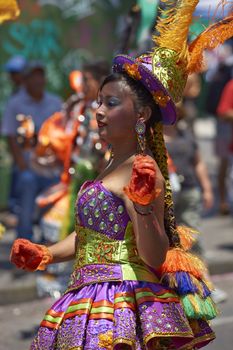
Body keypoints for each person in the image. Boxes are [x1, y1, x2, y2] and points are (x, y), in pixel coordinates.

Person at [10, 1, 233, 348]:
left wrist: (144, 205)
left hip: (121, 301)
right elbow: (91, 236)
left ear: (142, 113)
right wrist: (47, 253)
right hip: (87, 293)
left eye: (111, 104)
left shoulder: (142, 170)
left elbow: (155, 257)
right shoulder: (112, 163)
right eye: (100, 101)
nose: (98, 112)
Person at [1, 61, 62, 241]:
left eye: (40, 75)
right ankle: (24, 243)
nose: (38, 80)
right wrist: (21, 164)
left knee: (53, 201)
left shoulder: (55, 102)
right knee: (26, 197)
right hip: (27, 166)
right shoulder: (15, 103)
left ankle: (47, 245)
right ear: (25, 81)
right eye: (33, 76)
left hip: (52, 166)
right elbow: (10, 135)